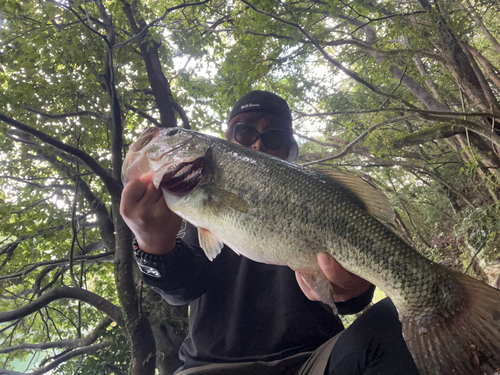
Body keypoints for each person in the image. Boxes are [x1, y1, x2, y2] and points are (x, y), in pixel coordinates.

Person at [120, 91, 419, 374]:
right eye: (245, 133)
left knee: (404, 319)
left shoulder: (317, 199)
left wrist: (350, 290)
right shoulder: (190, 215)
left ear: (289, 151)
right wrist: (151, 245)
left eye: (273, 136)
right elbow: (181, 288)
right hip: (209, 367)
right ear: (227, 141)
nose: (258, 145)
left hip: (314, 360)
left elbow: (352, 299)